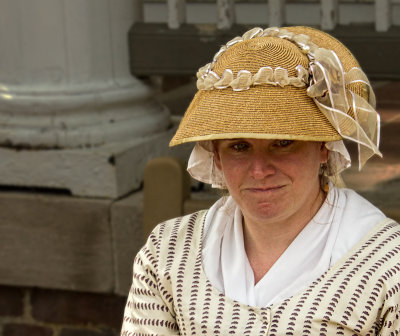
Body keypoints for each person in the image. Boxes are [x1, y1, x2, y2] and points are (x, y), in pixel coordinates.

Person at [121, 26, 400, 335]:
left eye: (283, 143)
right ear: (216, 157)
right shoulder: (168, 253)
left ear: (323, 147)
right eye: (239, 147)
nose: (259, 169)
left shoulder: (387, 265)